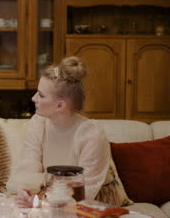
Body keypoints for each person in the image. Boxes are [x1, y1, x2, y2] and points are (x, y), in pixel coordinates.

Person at [10, 56, 111, 207]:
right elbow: (29, 164)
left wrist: (40, 204)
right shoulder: (38, 123)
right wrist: (25, 192)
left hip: (89, 202)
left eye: (41, 95)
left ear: (60, 105)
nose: (33, 98)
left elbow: (86, 191)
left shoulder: (91, 134)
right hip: (47, 195)